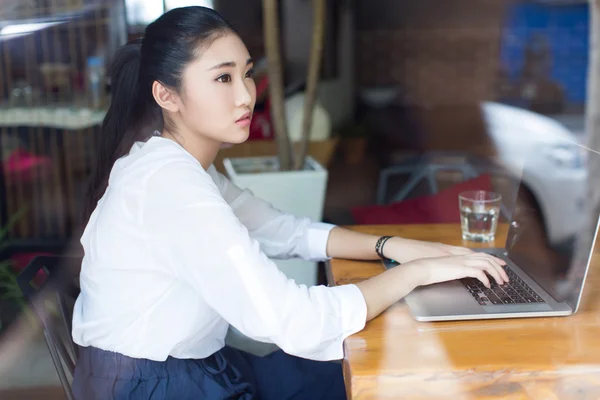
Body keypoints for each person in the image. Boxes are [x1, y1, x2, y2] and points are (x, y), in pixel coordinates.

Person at [71, 6, 508, 399]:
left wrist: (389, 246)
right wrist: (418, 273)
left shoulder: (178, 167)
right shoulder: (170, 186)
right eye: (223, 78)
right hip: (156, 388)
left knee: (365, 370)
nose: (245, 95)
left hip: (185, 368)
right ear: (166, 96)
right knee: (393, 375)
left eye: (246, 73)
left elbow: (286, 231)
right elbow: (296, 322)